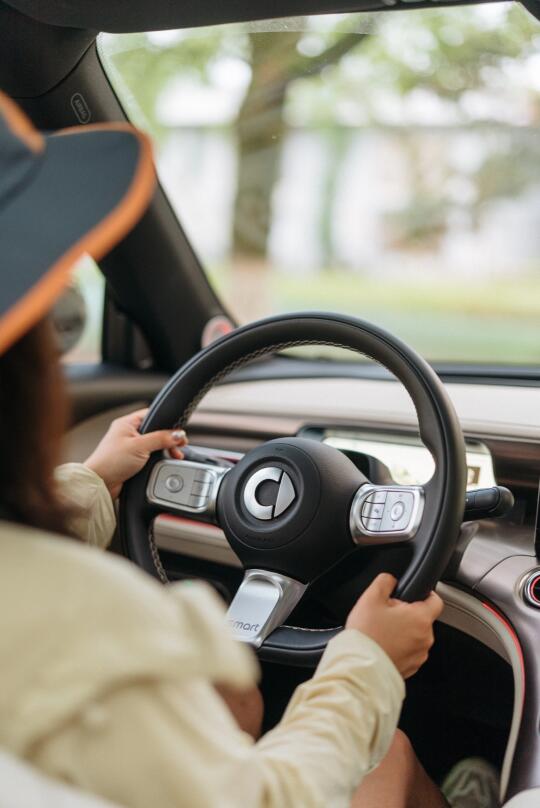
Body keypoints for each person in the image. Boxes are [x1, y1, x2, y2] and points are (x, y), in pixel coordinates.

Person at [0, 88, 452, 808]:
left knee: (234, 698)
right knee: (387, 758)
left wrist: (91, 482)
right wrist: (368, 662)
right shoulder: (86, 626)